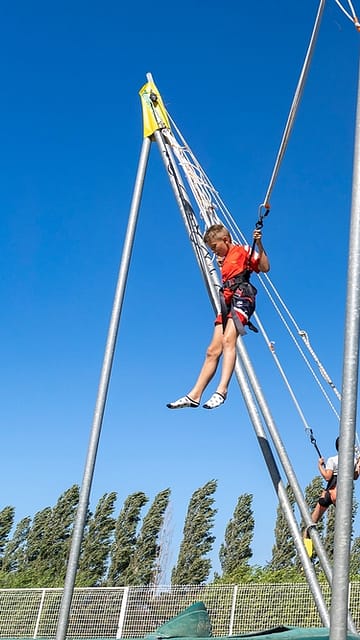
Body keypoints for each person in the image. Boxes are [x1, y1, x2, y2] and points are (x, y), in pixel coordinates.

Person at [167, 223, 270, 410]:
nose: (214, 253)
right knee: (212, 350)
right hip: (227, 302)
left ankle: (222, 391)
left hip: (243, 296)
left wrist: (259, 243)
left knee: (229, 340)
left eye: (215, 247)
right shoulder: (223, 260)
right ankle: (194, 395)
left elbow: (265, 267)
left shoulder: (243, 250)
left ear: (226, 240)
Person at [306, 436, 360, 534]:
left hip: (328, 492)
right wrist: (358, 464)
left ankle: (306, 536)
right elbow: (355, 476)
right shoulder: (353, 461)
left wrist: (319, 465)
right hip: (340, 493)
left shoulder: (333, 460)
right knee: (343, 525)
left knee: (312, 522)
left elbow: (327, 477)